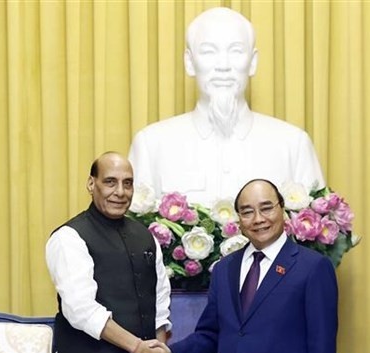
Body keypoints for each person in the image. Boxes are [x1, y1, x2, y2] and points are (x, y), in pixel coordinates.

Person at [170, 179, 338, 353]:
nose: (258, 219)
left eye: (266, 208)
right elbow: (210, 335)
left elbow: (322, 344)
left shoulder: (312, 267)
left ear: (283, 210)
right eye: (247, 212)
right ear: (239, 219)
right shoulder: (224, 269)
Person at [35, 152, 177, 353]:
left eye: (127, 184)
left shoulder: (146, 236)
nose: (120, 191)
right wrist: (139, 349)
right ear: (91, 184)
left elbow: (160, 305)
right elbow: (81, 310)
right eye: (110, 182)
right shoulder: (69, 237)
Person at [128, 7, 325, 207]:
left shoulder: (292, 145)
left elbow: (317, 230)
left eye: (236, 51)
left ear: (253, 62)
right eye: (208, 52)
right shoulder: (151, 145)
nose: (223, 65)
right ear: (189, 62)